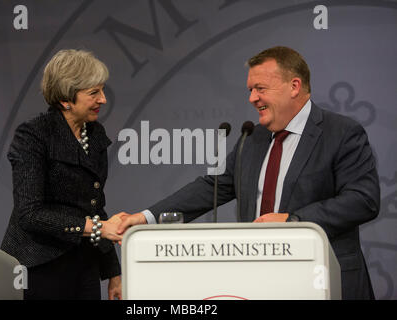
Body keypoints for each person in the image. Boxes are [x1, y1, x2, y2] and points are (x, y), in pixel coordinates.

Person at [116, 46, 380, 300]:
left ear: (294, 86)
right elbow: (213, 186)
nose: (252, 98)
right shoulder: (252, 138)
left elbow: (362, 200)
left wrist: (293, 221)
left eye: (260, 88)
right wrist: (145, 218)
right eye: (250, 90)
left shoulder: (341, 133)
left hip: (321, 279)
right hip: (258, 281)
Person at [1, 49, 126, 300]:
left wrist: (114, 273)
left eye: (102, 90)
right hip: (40, 264)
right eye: (93, 93)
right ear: (66, 99)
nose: (102, 99)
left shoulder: (94, 134)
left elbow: (94, 205)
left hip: (84, 262)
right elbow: (30, 214)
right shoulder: (34, 135)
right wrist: (99, 228)